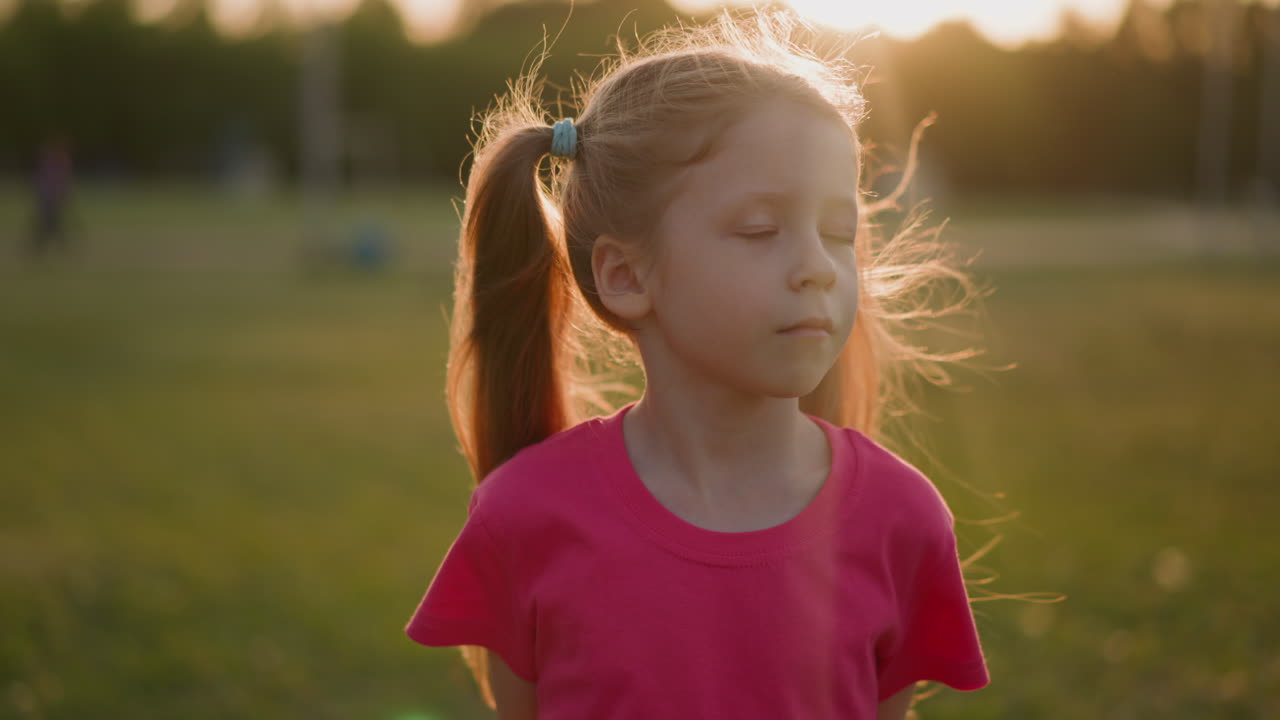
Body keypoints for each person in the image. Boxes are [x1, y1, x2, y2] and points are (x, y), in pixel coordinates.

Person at [405, 7, 996, 719]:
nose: (817, 267)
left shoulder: (902, 522)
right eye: (760, 229)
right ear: (626, 275)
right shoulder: (524, 518)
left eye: (839, 232)